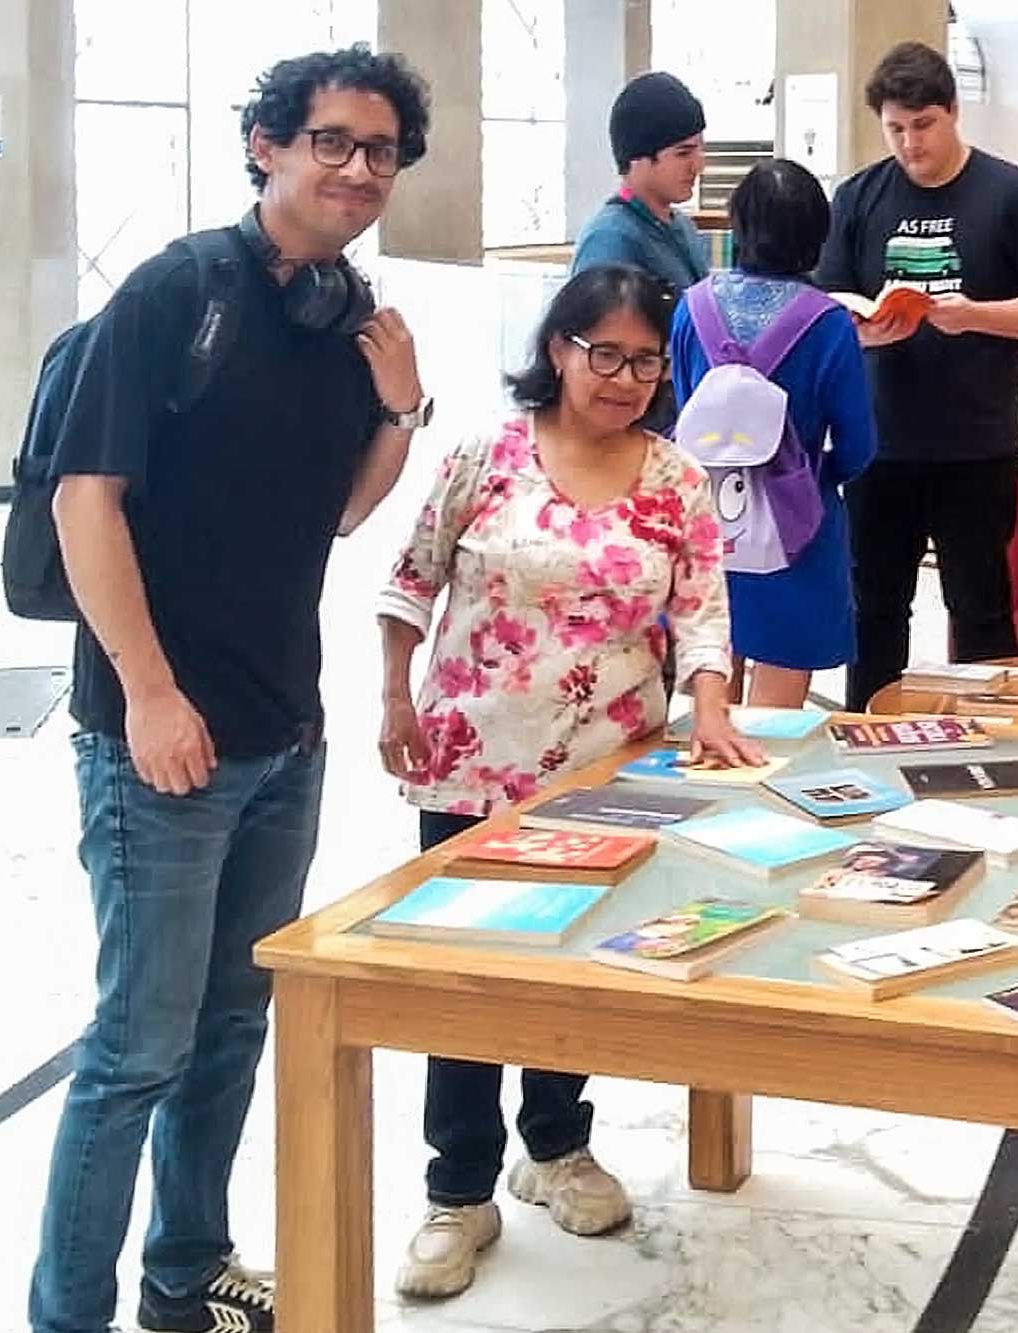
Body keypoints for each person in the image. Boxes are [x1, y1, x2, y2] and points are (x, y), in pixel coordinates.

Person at [29, 46, 432, 1333]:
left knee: (227, 1033)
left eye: (380, 151)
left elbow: (339, 516)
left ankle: (184, 1275)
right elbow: (83, 501)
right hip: (161, 739)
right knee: (134, 1051)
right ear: (267, 145)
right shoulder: (175, 292)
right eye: (333, 141)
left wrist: (400, 410)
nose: (358, 169)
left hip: (281, 735)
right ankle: (68, 1313)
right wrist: (149, 695)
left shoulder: (345, 316)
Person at [377, 264, 760, 1299]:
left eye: (646, 361)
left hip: (607, 769)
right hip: (470, 762)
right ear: (558, 349)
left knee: (573, 969)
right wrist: (394, 697)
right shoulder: (487, 454)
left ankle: (554, 1145)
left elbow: (703, 611)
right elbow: (410, 584)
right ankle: (457, 1190)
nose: (626, 379)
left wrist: (711, 707)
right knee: (465, 980)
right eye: (606, 355)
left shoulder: (675, 477)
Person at [816, 41, 1018, 712]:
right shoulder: (858, 197)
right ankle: (868, 731)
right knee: (875, 609)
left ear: (954, 111)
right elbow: (828, 303)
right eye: (896, 129)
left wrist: (977, 316)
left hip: (977, 444)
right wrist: (862, 329)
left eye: (924, 125)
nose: (911, 144)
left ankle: (992, 736)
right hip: (879, 445)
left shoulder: (1010, 193)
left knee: (980, 609)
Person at [671, 159, 878, 707]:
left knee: (710, 692)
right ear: (816, 234)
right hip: (796, 528)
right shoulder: (829, 323)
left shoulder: (692, 308)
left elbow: (682, 406)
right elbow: (858, 446)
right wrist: (810, 475)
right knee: (777, 719)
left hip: (707, 518)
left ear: (739, 225)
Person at [572, 71, 710, 429]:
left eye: (700, 149)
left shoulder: (683, 229)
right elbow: (596, 360)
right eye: (683, 153)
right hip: (635, 428)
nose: (698, 165)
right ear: (638, 159)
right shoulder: (610, 238)